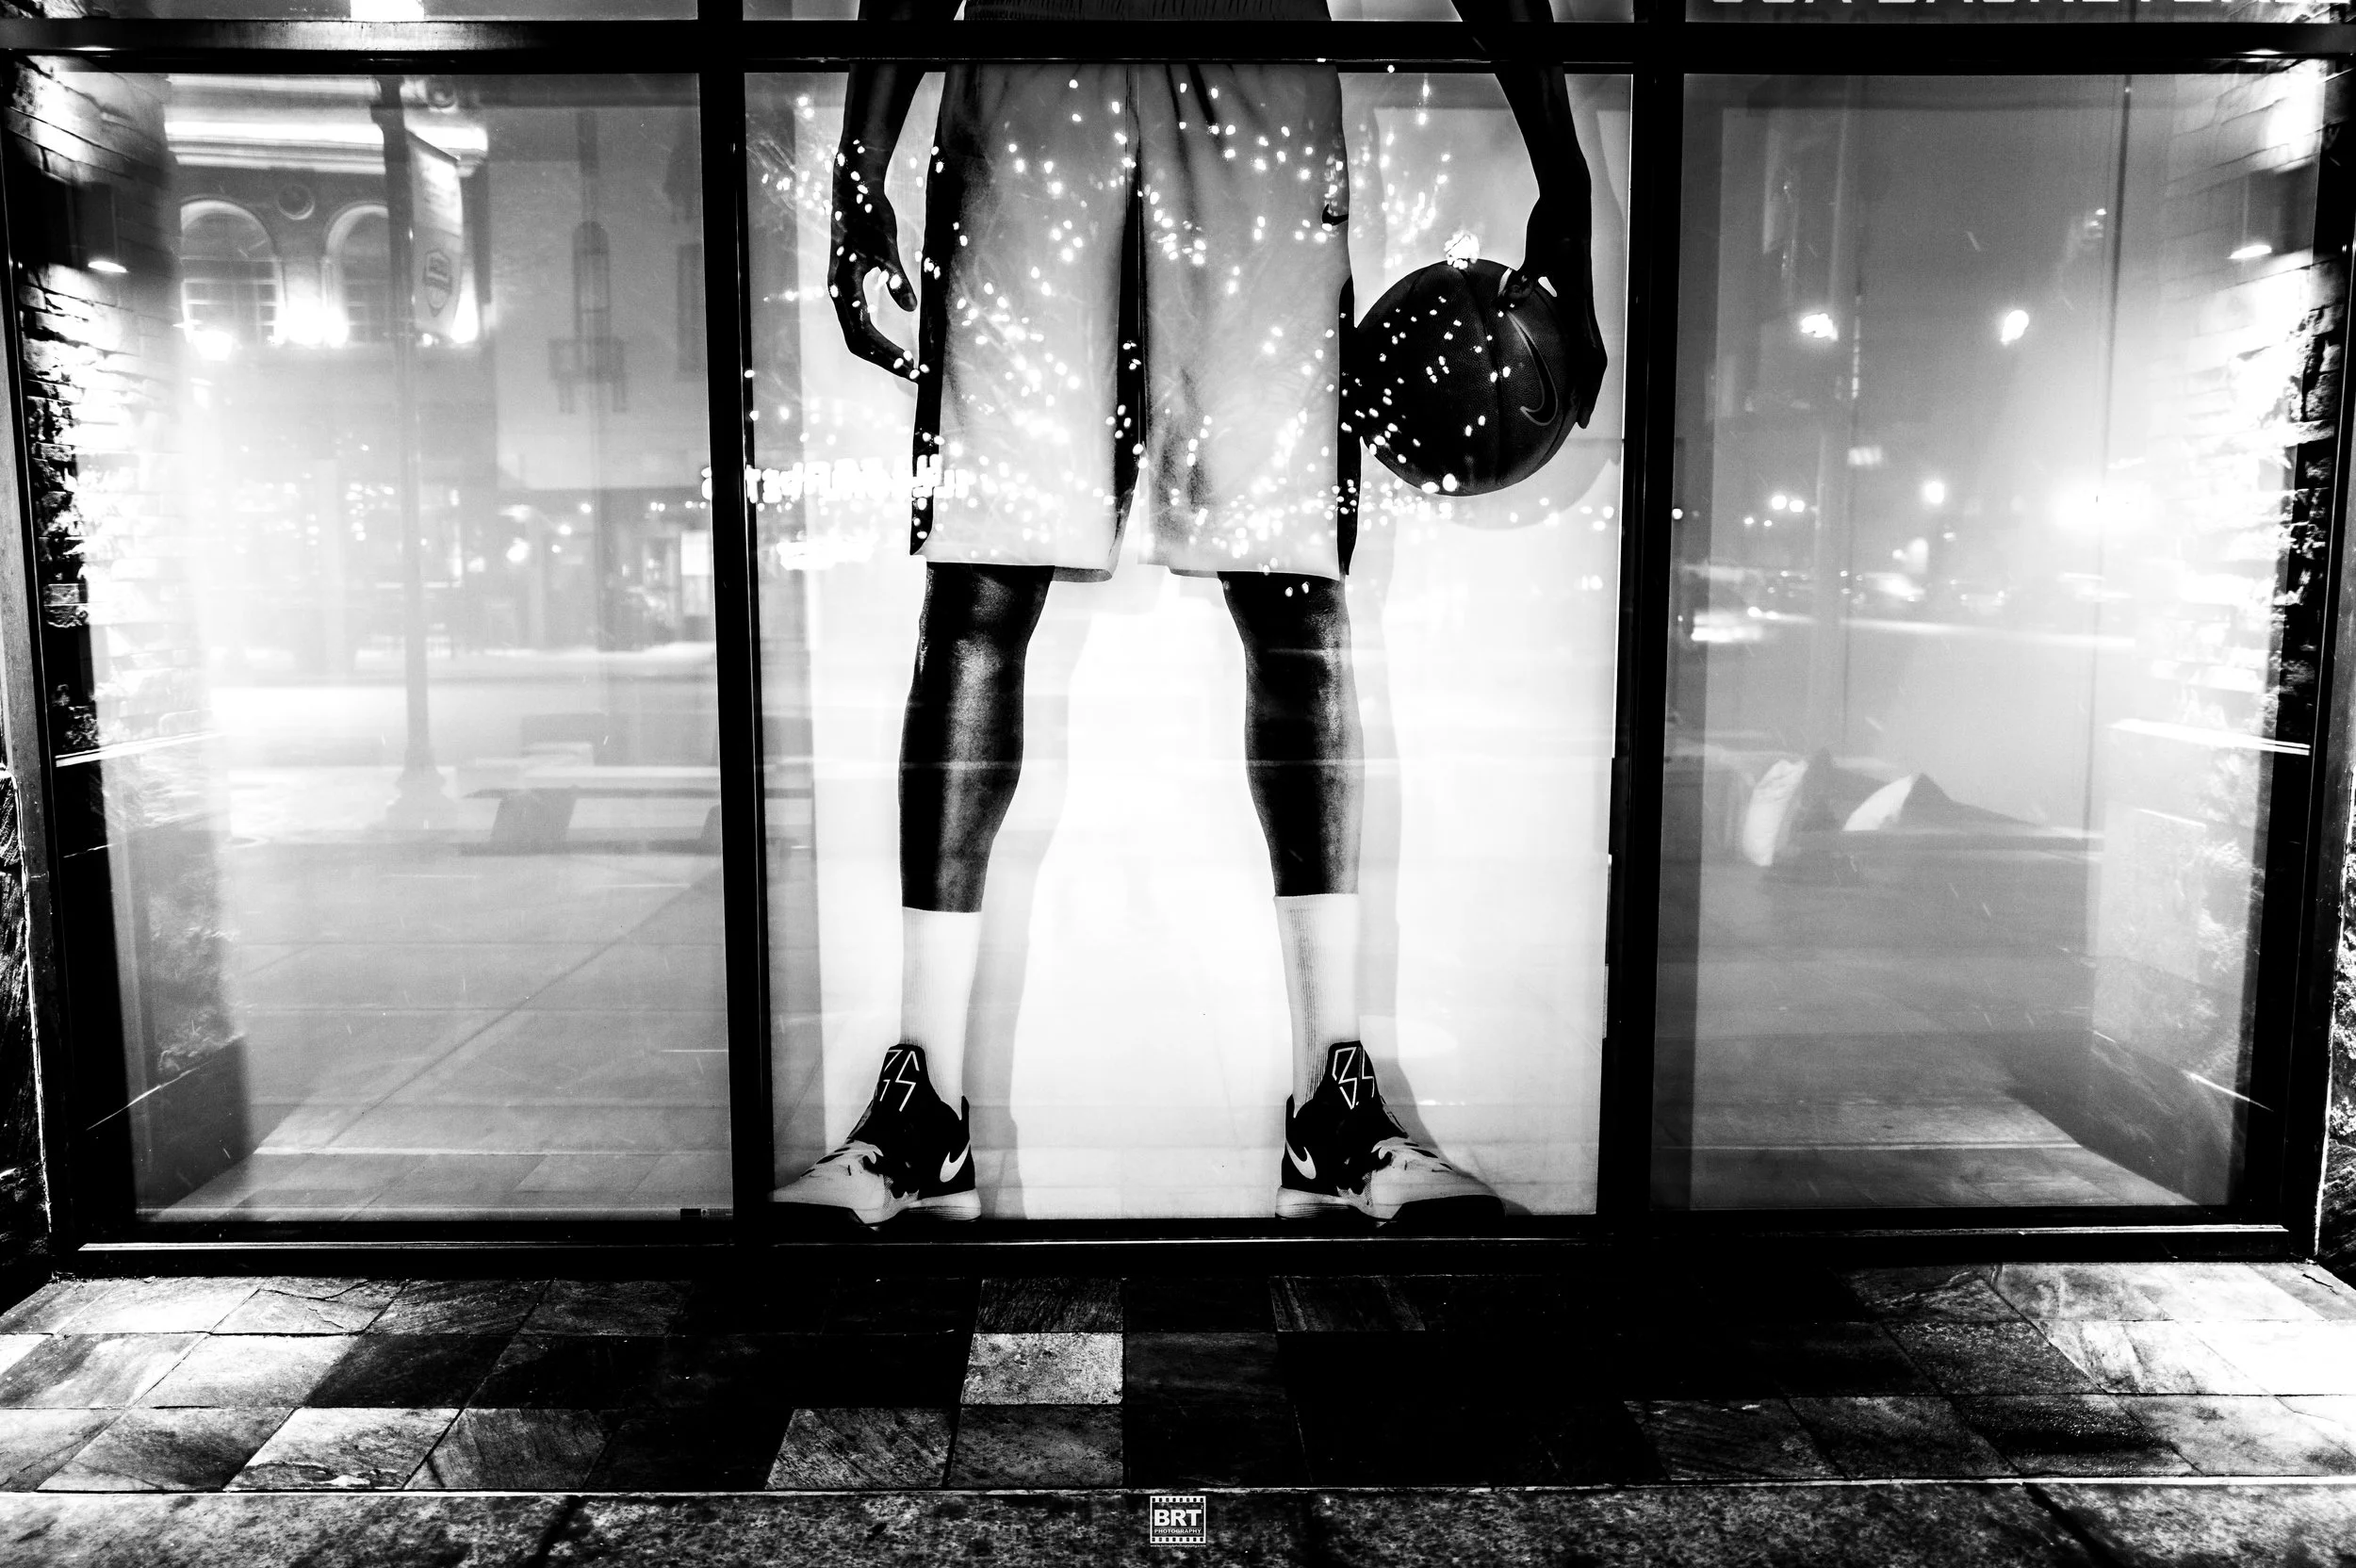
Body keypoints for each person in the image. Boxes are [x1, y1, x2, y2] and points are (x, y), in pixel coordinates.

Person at [775, 0, 1608, 1227]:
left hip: (1246, 46)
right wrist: (860, 165)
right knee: (982, 584)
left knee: (1288, 594)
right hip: (1031, 54)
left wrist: (1566, 177)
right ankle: (924, 1108)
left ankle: (1336, 1104)